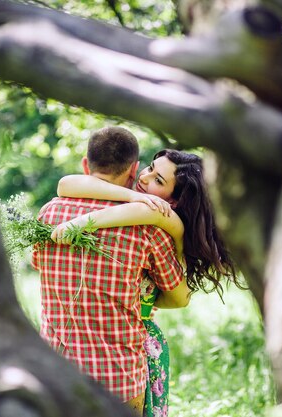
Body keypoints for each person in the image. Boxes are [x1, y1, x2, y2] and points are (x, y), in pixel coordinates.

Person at [53, 148, 241, 417]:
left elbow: (178, 298)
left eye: (158, 180)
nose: (145, 177)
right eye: (151, 167)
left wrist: (80, 223)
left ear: (173, 202)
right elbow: (65, 184)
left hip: (134, 348)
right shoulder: (136, 202)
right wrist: (130, 195)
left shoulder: (166, 220)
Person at [31, 126, 190, 414]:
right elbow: (180, 298)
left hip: (55, 372)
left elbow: (39, 265)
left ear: (85, 164)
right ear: (134, 169)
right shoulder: (147, 231)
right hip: (117, 380)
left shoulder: (48, 214)